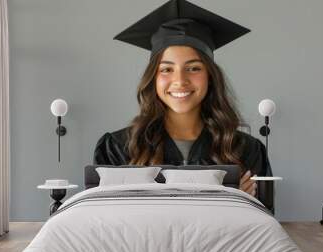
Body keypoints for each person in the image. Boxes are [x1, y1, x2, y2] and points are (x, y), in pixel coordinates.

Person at [94, 0, 272, 197]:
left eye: (193, 68)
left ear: (210, 76)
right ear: (153, 78)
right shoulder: (118, 149)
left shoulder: (244, 150)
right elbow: (101, 222)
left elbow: (262, 223)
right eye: (167, 69)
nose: (180, 80)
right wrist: (227, 199)